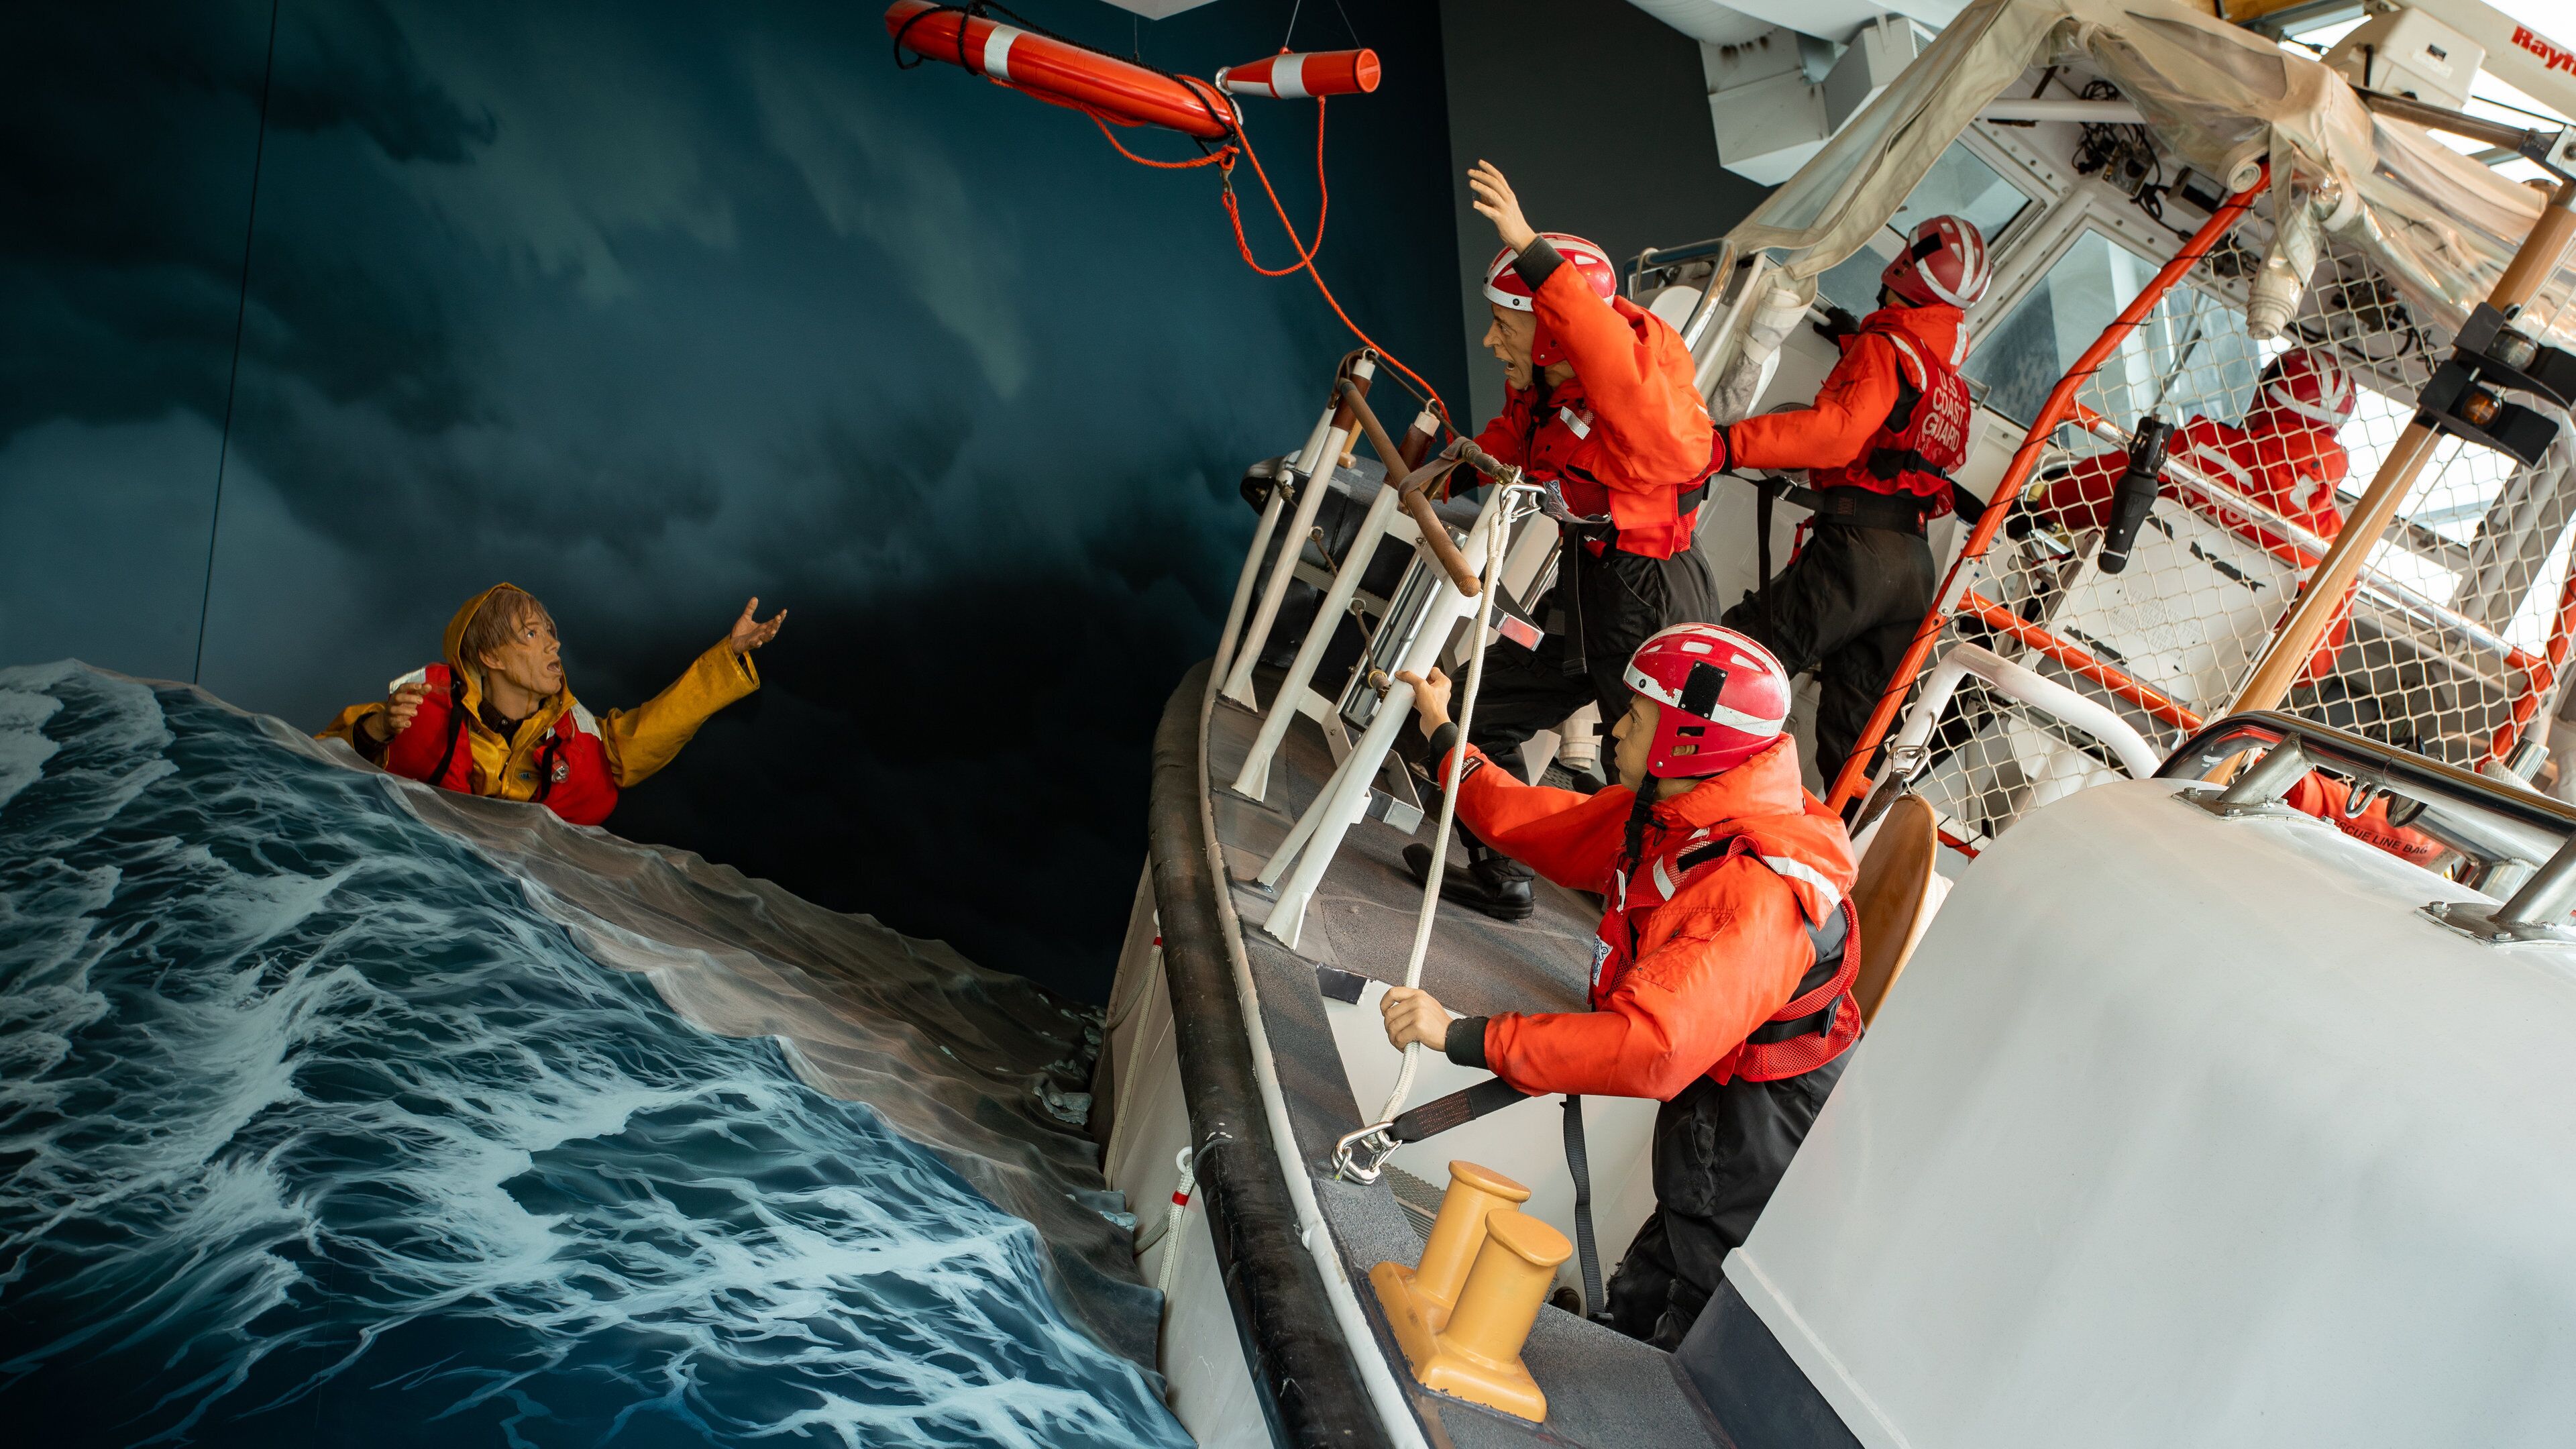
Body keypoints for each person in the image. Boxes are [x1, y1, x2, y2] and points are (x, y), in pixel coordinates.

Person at [1381, 623, 1860, 1348]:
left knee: (1697, 1287)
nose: (1616, 722)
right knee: (1671, 1241)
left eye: (1640, 713)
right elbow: (1541, 825)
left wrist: (1462, 1035)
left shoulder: (1748, 889)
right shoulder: (1692, 815)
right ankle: (1621, 1337)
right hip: (1719, 1108)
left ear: (1688, 739)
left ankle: (1639, 1376)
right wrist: (1447, 739)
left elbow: (1649, 1049)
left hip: (1759, 1129)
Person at [1406, 160, 1724, 921]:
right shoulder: (1546, 388)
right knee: (1479, 713)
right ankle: (1502, 872)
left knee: (1660, 789)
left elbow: (1615, 365)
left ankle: (1662, 941)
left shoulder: (1641, 402)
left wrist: (1529, 247)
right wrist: (1435, 475)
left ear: (1552, 332)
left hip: (1650, 602)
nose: (1488, 340)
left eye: (1503, 323)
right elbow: (1512, 444)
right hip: (1587, 590)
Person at [1714, 215, 1993, 788]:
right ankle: (1848, 860)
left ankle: (1660, 820)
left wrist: (1726, 445)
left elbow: (1836, 433)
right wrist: (1852, 340)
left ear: (1906, 267)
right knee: (1856, 747)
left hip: (1857, 555)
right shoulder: (1949, 383)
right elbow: (1900, 423)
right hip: (1912, 567)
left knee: (1734, 664)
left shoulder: (1887, 348)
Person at [321, 582, 784, 826]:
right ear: (489, 656)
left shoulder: (578, 740)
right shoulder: (414, 712)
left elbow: (655, 729)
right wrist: (374, 731)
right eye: (531, 633)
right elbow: (314, 763)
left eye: (550, 633)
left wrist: (729, 655)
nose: (553, 646)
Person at [2034, 345, 2359, 684]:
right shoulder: (2331, 543)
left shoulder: (2201, 446)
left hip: (2075, 637)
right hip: (2188, 702)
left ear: (2265, 398)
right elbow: (2311, 665)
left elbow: (2095, 490)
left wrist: (2046, 504)